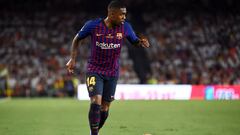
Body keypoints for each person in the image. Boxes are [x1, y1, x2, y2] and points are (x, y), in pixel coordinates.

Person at [66, 0, 150, 135]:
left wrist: (141, 42)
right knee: (96, 101)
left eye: (125, 14)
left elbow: (134, 41)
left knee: (105, 108)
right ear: (111, 14)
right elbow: (77, 39)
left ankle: (94, 131)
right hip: (94, 70)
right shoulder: (93, 26)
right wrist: (73, 58)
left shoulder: (125, 27)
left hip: (112, 72)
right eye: (121, 14)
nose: (124, 17)